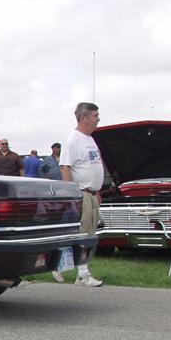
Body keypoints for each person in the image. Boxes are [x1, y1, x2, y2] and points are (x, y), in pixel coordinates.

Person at [60, 102, 105, 287]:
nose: (98, 119)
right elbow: (65, 167)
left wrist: (96, 191)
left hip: (92, 194)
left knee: (90, 234)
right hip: (81, 194)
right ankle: (82, 275)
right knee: (83, 235)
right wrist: (72, 195)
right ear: (83, 118)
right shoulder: (73, 140)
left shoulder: (90, 139)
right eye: (95, 116)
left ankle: (61, 265)